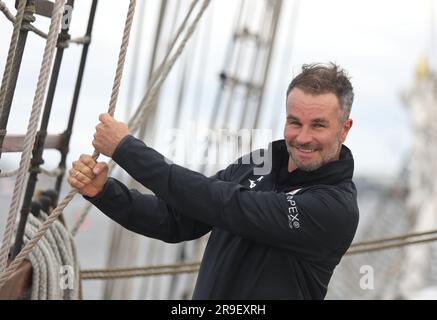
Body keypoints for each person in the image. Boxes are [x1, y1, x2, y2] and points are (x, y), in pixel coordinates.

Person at [68, 62, 359, 299]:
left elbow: (225, 204)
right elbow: (176, 219)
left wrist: (126, 149)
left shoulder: (333, 207)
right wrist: (105, 192)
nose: (303, 137)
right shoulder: (260, 163)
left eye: (318, 125)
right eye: (294, 122)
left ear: (344, 130)